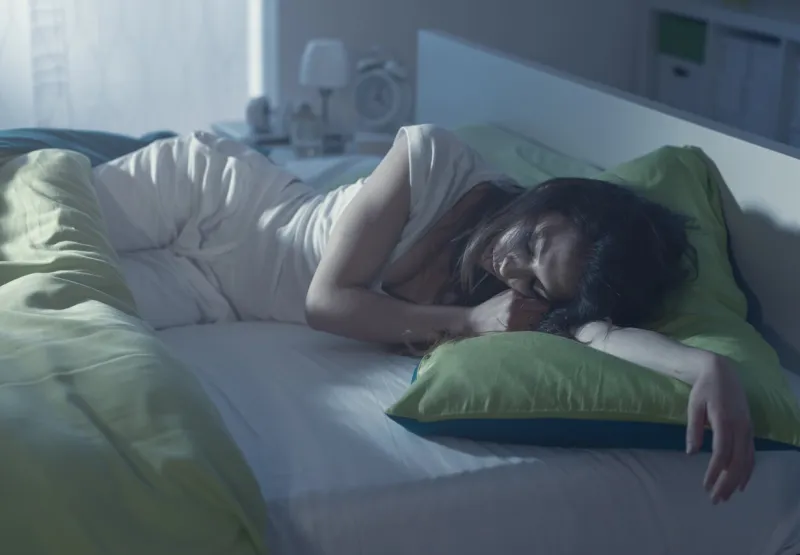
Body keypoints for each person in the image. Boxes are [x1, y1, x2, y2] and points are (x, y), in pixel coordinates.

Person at [92, 124, 753, 504]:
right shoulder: (434, 159)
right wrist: (465, 323)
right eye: (536, 242)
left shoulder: (523, 300)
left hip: (214, 293)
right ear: (554, 198)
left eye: (536, 280)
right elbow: (326, 303)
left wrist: (707, 365)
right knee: (34, 223)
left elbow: (602, 336)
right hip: (212, 197)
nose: (511, 268)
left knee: (42, 293)